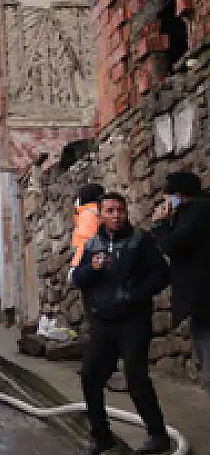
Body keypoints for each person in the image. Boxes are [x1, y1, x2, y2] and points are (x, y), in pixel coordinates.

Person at [73, 192, 170, 455]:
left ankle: (157, 434)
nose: (117, 216)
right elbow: (78, 280)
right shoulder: (92, 245)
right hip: (103, 322)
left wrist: (133, 296)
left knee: (136, 377)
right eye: (111, 211)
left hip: (133, 320)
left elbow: (161, 275)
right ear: (101, 215)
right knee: (91, 376)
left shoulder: (140, 241)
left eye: (121, 211)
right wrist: (92, 269)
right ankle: (101, 435)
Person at [151, 171, 210, 396]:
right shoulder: (196, 211)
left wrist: (160, 224)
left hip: (203, 299)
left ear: (177, 195)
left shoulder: (198, 212)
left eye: (168, 196)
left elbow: (172, 246)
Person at [69, 183, 105, 281]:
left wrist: (75, 265)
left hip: (88, 259)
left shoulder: (87, 214)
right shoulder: (94, 212)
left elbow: (85, 242)